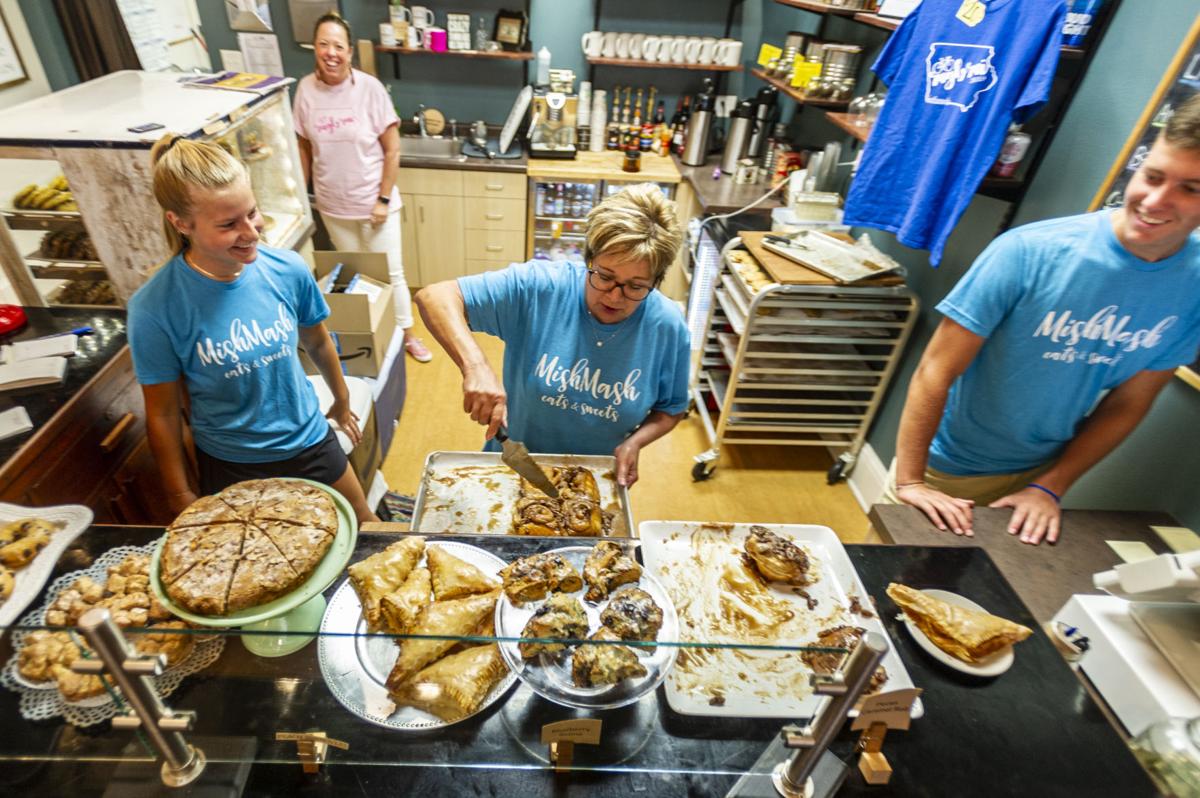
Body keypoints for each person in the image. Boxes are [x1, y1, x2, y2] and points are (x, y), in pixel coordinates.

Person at [889, 94, 1200, 546]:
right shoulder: (1028, 251)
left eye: (1191, 188)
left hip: (1038, 477)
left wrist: (1050, 484)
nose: (1154, 200)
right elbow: (936, 369)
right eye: (1152, 176)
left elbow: (1130, 402)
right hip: (944, 468)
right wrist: (911, 482)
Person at [128, 134, 379, 524]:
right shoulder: (154, 308)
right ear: (180, 223)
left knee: (363, 524)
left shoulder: (286, 270)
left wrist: (341, 400)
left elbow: (317, 341)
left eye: (252, 212)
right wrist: (179, 494)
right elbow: (162, 414)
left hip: (308, 439)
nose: (251, 232)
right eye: (229, 224)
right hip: (232, 461)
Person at [415, 183, 690, 487]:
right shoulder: (540, 288)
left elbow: (671, 408)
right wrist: (475, 366)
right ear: (589, 259)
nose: (614, 296)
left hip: (593, 480)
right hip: (514, 467)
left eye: (636, 286)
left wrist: (635, 442)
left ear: (657, 281)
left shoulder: (667, 326)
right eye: (605, 276)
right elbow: (435, 297)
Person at [293, 12, 432, 363]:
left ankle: (408, 336)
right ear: (315, 49)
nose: (331, 53)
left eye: (338, 45)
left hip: (375, 205)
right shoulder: (306, 90)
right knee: (357, 278)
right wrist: (302, 193)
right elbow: (304, 147)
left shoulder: (369, 89)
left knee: (392, 274)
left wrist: (383, 198)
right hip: (333, 207)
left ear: (350, 52)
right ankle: (375, 338)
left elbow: (392, 149)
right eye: (324, 44)